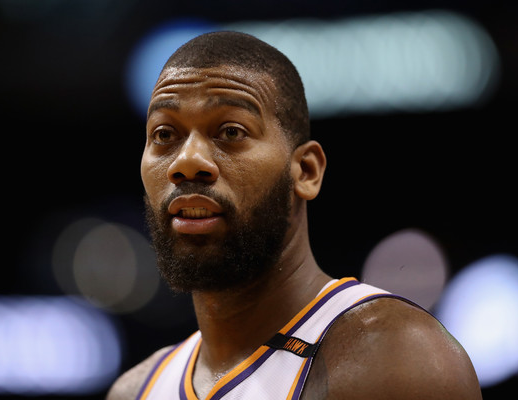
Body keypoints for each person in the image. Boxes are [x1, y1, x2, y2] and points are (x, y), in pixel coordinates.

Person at [107, 31, 482, 400]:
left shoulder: (396, 360)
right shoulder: (135, 390)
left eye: (230, 131)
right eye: (164, 135)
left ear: (306, 171)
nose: (187, 162)